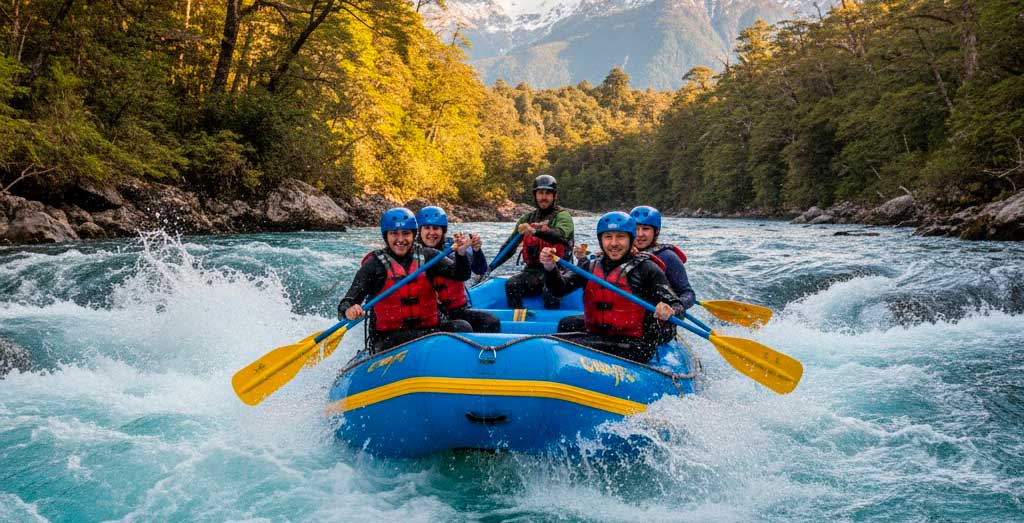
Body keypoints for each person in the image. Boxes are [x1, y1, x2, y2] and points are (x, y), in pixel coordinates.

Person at [539, 211, 687, 363]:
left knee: (559, 345)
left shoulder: (647, 269)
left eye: (620, 237)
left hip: (636, 344)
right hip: (600, 333)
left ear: (631, 239)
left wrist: (670, 310)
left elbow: (676, 304)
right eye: (608, 237)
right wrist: (550, 268)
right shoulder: (590, 266)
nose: (614, 243)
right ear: (601, 240)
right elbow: (558, 290)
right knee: (566, 324)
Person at [338, 207, 472, 353]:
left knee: (462, 327)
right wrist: (349, 310)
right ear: (386, 236)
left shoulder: (428, 256)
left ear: (413, 235)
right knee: (423, 338)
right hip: (389, 338)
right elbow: (347, 302)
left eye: (406, 233)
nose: (400, 240)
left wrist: (461, 254)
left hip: (429, 329)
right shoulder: (374, 265)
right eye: (394, 234)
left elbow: (461, 275)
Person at [490, 175, 575, 309]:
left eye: (548, 193)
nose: (544, 197)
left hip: (559, 272)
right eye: (540, 193)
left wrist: (535, 232)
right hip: (533, 272)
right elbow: (509, 247)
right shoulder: (527, 218)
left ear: (554, 196)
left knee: (551, 290)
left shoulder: (563, 216)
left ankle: (552, 327)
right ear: (535, 195)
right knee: (512, 285)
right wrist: (490, 268)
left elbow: (558, 236)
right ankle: (517, 321)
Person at [415, 206, 501, 333]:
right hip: (429, 316)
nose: (431, 233)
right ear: (420, 231)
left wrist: (477, 251)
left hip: (455, 311)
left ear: (443, 231)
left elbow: (480, 269)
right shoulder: (412, 255)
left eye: (436, 228)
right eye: (427, 228)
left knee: (491, 322)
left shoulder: (454, 248)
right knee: (462, 327)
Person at [629, 206, 696, 342]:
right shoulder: (622, 253)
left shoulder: (668, 257)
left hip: (657, 324)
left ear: (656, 232)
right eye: (636, 228)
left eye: (646, 229)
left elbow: (688, 294)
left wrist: (672, 308)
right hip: (627, 317)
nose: (640, 234)